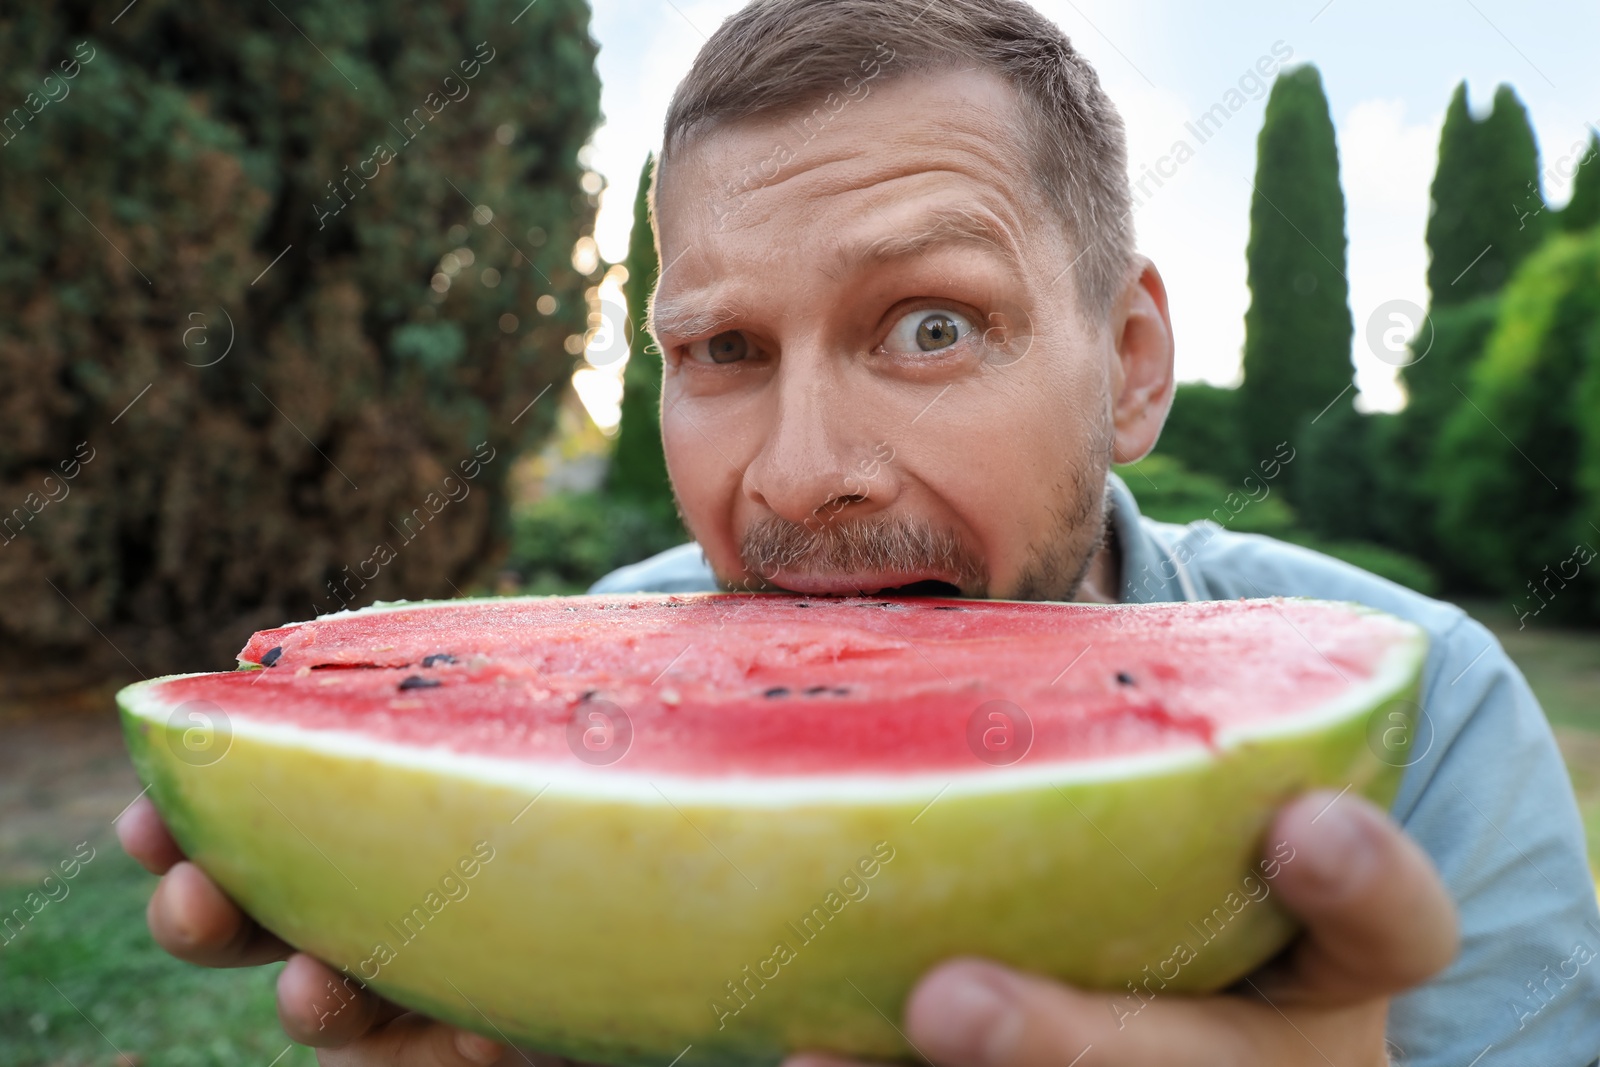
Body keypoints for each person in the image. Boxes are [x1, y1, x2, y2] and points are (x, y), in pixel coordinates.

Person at [119, 0, 1600, 1063]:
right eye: (723, 351)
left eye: (931, 325)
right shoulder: (593, 689)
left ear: (1132, 363)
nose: (799, 479)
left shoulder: (1434, 715)